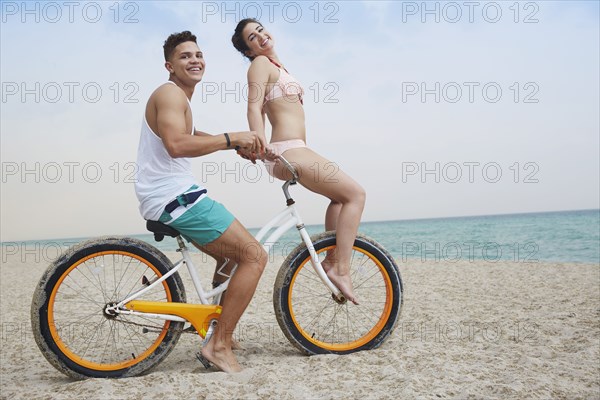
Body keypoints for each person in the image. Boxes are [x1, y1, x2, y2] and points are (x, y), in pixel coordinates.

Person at [134, 30, 267, 373]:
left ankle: (216, 328)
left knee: (230, 256)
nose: (194, 60)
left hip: (172, 195)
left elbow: (191, 136)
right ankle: (218, 345)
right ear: (169, 65)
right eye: (184, 56)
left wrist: (236, 146)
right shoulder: (169, 93)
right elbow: (176, 144)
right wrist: (230, 137)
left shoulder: (178, 99)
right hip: (174, 196)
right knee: (253, 255)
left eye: (198, 54)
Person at [231, 19, 366, 305]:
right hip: (286, 150)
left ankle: (332, 261)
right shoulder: (259, 65)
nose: (261, 37)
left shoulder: (278, 67)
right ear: (248, 50)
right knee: (356, 194)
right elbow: (253, 107)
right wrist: (260, 142)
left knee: (340, 201)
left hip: (296, 149)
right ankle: (341, 268)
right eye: (252, 38)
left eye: (261, 30)